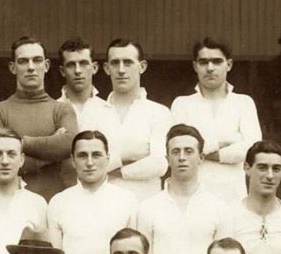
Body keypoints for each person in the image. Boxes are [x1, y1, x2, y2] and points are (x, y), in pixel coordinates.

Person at [137, 124, 233, 254]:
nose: (182, 157)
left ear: (201, 158)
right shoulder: (148, 207)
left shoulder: (219, 208)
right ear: (167, 158)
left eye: (189, 151)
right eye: (176, 152)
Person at [46, 130, 138, 254]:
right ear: (73, 161)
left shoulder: (127, 200)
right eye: (82, 156)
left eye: (96, 155)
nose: (89, 163)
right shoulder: (59, 202)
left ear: (108, 159)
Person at [0, 36, 77, 201]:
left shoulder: (62, 109)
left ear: (46, 66)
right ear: (13, 67)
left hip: (54, 201)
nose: (31, 67)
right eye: (23, 61)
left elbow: (69, 144)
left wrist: (22, 144)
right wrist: (51, 154)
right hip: (10, 202)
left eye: (37, 60)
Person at [171, 37, 262, 203]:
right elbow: (177, 148)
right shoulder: (182, 104)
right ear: (195, 66)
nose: (210, 68)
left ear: (229, 65)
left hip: (233, 195)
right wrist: (229, 141)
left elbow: (252, 149)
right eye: (204, 62)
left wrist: (201, 151)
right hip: (192, 196)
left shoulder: (244, 103)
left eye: (217, 61)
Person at [100, 39, 172, 200]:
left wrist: (110, 169)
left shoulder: (159, 112)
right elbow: (86, 164)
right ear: (106, 68)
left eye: (128, 63)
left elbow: (159, 164)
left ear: (142, 66)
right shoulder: (94, 112)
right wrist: (128, 156)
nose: (121, 70)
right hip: (104, 204)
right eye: (115, 63)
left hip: (145, 203)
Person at [55, 38, 121, 177]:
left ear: (95, 68)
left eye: (83, 63)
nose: (78, 70)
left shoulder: (108, 110)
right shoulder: (52, 109)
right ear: (62, 70)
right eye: (71, 65)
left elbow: (115, 156)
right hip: (62, 191)